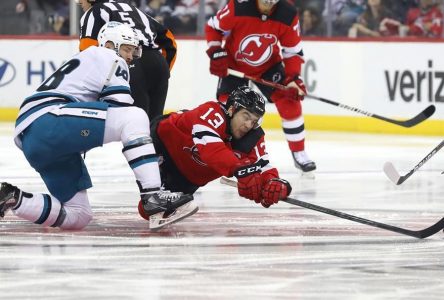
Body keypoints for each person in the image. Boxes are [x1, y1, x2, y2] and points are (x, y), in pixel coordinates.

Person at [0, 22, 195, 231]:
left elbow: (106, 115)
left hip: (34, 138)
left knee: (78, 215)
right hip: (49, 118)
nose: (130, 57)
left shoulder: (90, 58)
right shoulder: (110, 57)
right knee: (135, 116)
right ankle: (153, 195)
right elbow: (122, 110)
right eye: (127, 49)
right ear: (110, 44)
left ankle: (13, 198)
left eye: (133, 51)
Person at [139, 86, 292, 220]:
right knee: (151, 204)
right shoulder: (212, 112)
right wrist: (241, 170)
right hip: (160, 144)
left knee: (149, 211)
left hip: (186, 177)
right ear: (232, 109)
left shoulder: (253, 137)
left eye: (254, 121)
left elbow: (263, 166)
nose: (248, 125)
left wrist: (274, 184)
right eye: (246, 116)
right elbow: (211, 150)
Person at [205, 0, 317, 173]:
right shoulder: (239, 5)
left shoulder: (287, 13)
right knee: (227, 107)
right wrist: (216, 52)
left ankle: (299, 153)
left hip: (268, 66)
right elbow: (213, 27)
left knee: (289, 101)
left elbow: (292, 50)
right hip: (235, 66)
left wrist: (294, 77)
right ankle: (224, 154)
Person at [77, 0, 177, 121]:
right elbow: (170, 40)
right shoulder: (134, 10)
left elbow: (88, 51)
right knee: (155, 125)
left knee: (134, 124)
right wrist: (164, 69)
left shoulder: (94, 12)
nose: (78, 2)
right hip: (157, 62)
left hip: (130, 60)